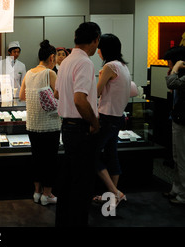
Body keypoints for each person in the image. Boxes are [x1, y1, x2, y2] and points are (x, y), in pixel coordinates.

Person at [54, 22, 101, 227]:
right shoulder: (85, 63)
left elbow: (57, 93)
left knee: (69, 181)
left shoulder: (66, 61)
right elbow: (80, 100)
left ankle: (64, 221)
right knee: (82, 183)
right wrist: (94, 122)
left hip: (67, 126)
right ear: (95, 40)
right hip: (80, 127)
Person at [19, 40, 61, 206]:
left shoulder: (29, 73)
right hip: (49, 125)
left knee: (37, 158)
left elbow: (22, 96)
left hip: (33, 124)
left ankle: (36, 192)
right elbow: (59, 94)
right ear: (51, 57)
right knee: (50, 160)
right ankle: (47, 194)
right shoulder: (49, 73)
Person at [94, 33, 132, 206]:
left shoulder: (109, 67)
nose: (97, 50)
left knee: (92, 154)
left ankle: (114, 192)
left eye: (99, 47)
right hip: (118, 117)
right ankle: (112, 196)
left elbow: (97, 91)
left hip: (106, 117)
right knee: (112, 155)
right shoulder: (123, 66)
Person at [163, 46, 185, 205]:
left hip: (183, 121)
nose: (169, 67)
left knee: (182, 159)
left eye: (170, 63)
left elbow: (171, 84)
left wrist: (175, 68)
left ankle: (182, 195)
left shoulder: (181, 75)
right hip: (177, 119)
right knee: (177, 157)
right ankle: (176, 189)